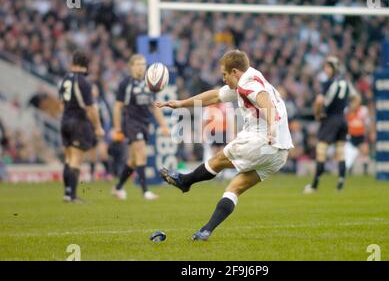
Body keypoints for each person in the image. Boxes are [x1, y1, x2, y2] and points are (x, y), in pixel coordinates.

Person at [156, 50, 293, 241]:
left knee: (218, 159)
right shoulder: (250, 78)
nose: (223, 79)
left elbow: (265, 101)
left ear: (235, 72)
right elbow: (214, 97)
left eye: (224, 75)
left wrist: (270, 127)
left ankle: (185, 181)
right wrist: (180, 104)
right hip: (280, 153)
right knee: (234, 187)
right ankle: (205, 231)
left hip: (263, 140)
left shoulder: (247, 83)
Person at [111, 54, 171, 201]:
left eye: (143, 64)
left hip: (144, 123)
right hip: (131, 122)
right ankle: (145, 191)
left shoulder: (148, 84)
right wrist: (117, 127)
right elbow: (118, 107)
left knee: (133, 159)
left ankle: (118, 187)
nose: (141, 67)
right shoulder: (126, 83)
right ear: (131, 67)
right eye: (137, 64)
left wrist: (163, 125)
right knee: (141, 153)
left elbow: (154, 107)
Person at [303, 56, 357, 194]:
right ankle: (340, 185)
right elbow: (356, 98)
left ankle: (314, 185)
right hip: (342, 119)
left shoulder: (327, 83)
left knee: (321, 152)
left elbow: (319, 101)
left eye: (328, 67)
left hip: (330, 119)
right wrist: (348, 111)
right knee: (341, 153)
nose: (325, 69)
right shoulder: (345, 82)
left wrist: (317, 114)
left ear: (333, 68)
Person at [59, 51, 104, 203]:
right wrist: (98, 127)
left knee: (68, 157)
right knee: (75, 159)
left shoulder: (65, 78)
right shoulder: (83, 81)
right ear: (86, 65)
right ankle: (72, 196)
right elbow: (91, 108)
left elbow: (61, 102)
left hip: (64, 120)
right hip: (77, 122)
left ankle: (67, 192)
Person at [345, 93, 370, 175]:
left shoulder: (363, 110)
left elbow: (366, 122)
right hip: (350, 135)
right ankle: (349, 170)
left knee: (365, 150)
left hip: (360, 135)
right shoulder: (347, 111)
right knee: (349, 154)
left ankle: (365, 170)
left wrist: (368, 133)